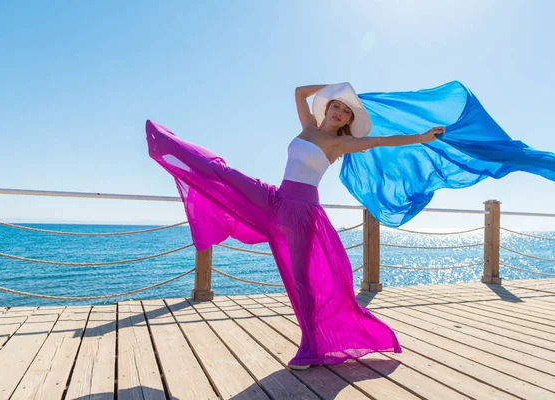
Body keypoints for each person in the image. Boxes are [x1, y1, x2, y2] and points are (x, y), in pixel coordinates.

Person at [145, 82, 444, 370]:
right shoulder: (308, 128)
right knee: (220, 172)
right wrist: (333, 85)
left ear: (347, 121)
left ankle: (312, 346)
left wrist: (422, 136)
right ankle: (165, 144)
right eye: (335, 105)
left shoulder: (340, 143)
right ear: (327, 109)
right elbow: (300, 92)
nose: (337, 111)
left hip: (302, 213)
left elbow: (381, 141)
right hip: (275, 198)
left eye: (345, 111)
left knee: (301, 282)